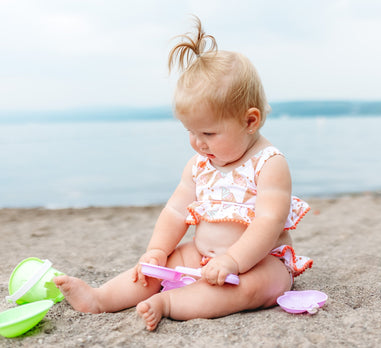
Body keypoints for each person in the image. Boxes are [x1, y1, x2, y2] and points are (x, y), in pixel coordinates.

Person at [53, 16, 312, 331]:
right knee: (158, 266)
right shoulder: (200, 165)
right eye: (190, 131)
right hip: (202, 255)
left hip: (259, 261)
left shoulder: (269, 163)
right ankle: (100, 298)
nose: (198, 143)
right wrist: (158, 250)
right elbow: (175, 211)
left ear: (250, 121)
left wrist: (233, 261)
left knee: (253, 286)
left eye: (208, 133)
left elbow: (267, 224)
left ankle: (170, 303)